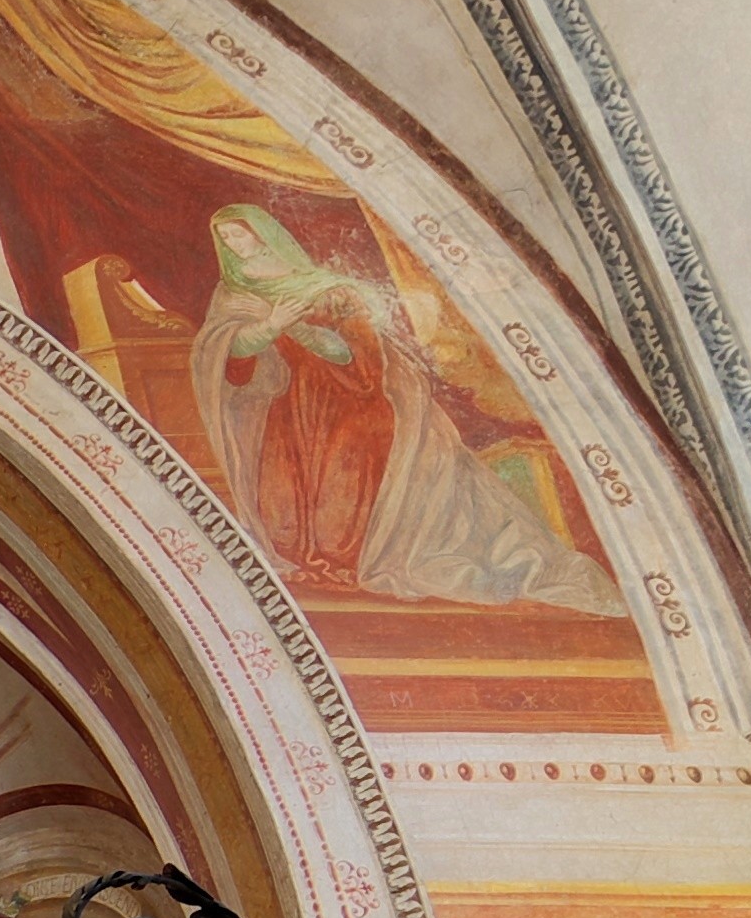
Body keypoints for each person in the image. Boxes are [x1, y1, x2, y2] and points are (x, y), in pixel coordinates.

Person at [187, 204, 622, 616]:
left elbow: (361, 354)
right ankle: (311, 556)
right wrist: (270, 327)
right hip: (286, 405)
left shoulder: (327, 286)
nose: (234, 244)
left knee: (350, 476)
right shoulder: (235, 294)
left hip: (349, 401)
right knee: (287, 485)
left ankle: (352, 555)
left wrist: (311, 332)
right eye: (225, 238)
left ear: (263, 235)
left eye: (238, 234)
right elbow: (225, 353)